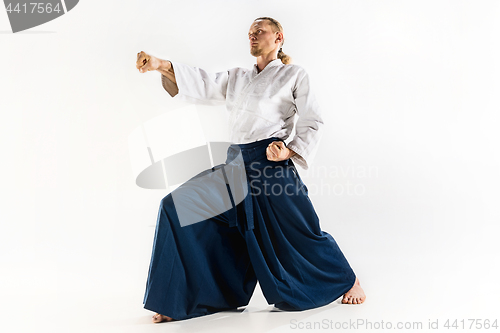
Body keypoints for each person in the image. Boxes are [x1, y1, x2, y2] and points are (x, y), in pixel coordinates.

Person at [135, 17, 366, 323]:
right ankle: (180, 298)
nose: (253, 36)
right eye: (249, 33)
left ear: (279, 36)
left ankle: (348, 279)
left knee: (301, 231)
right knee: (175, 207)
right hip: (235, 164)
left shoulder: (293, 75)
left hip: (271, 164)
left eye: (260, 31)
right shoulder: (238, 76)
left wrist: (289, 149)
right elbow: (203, 82)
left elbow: (314, 119)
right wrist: (161, 65)